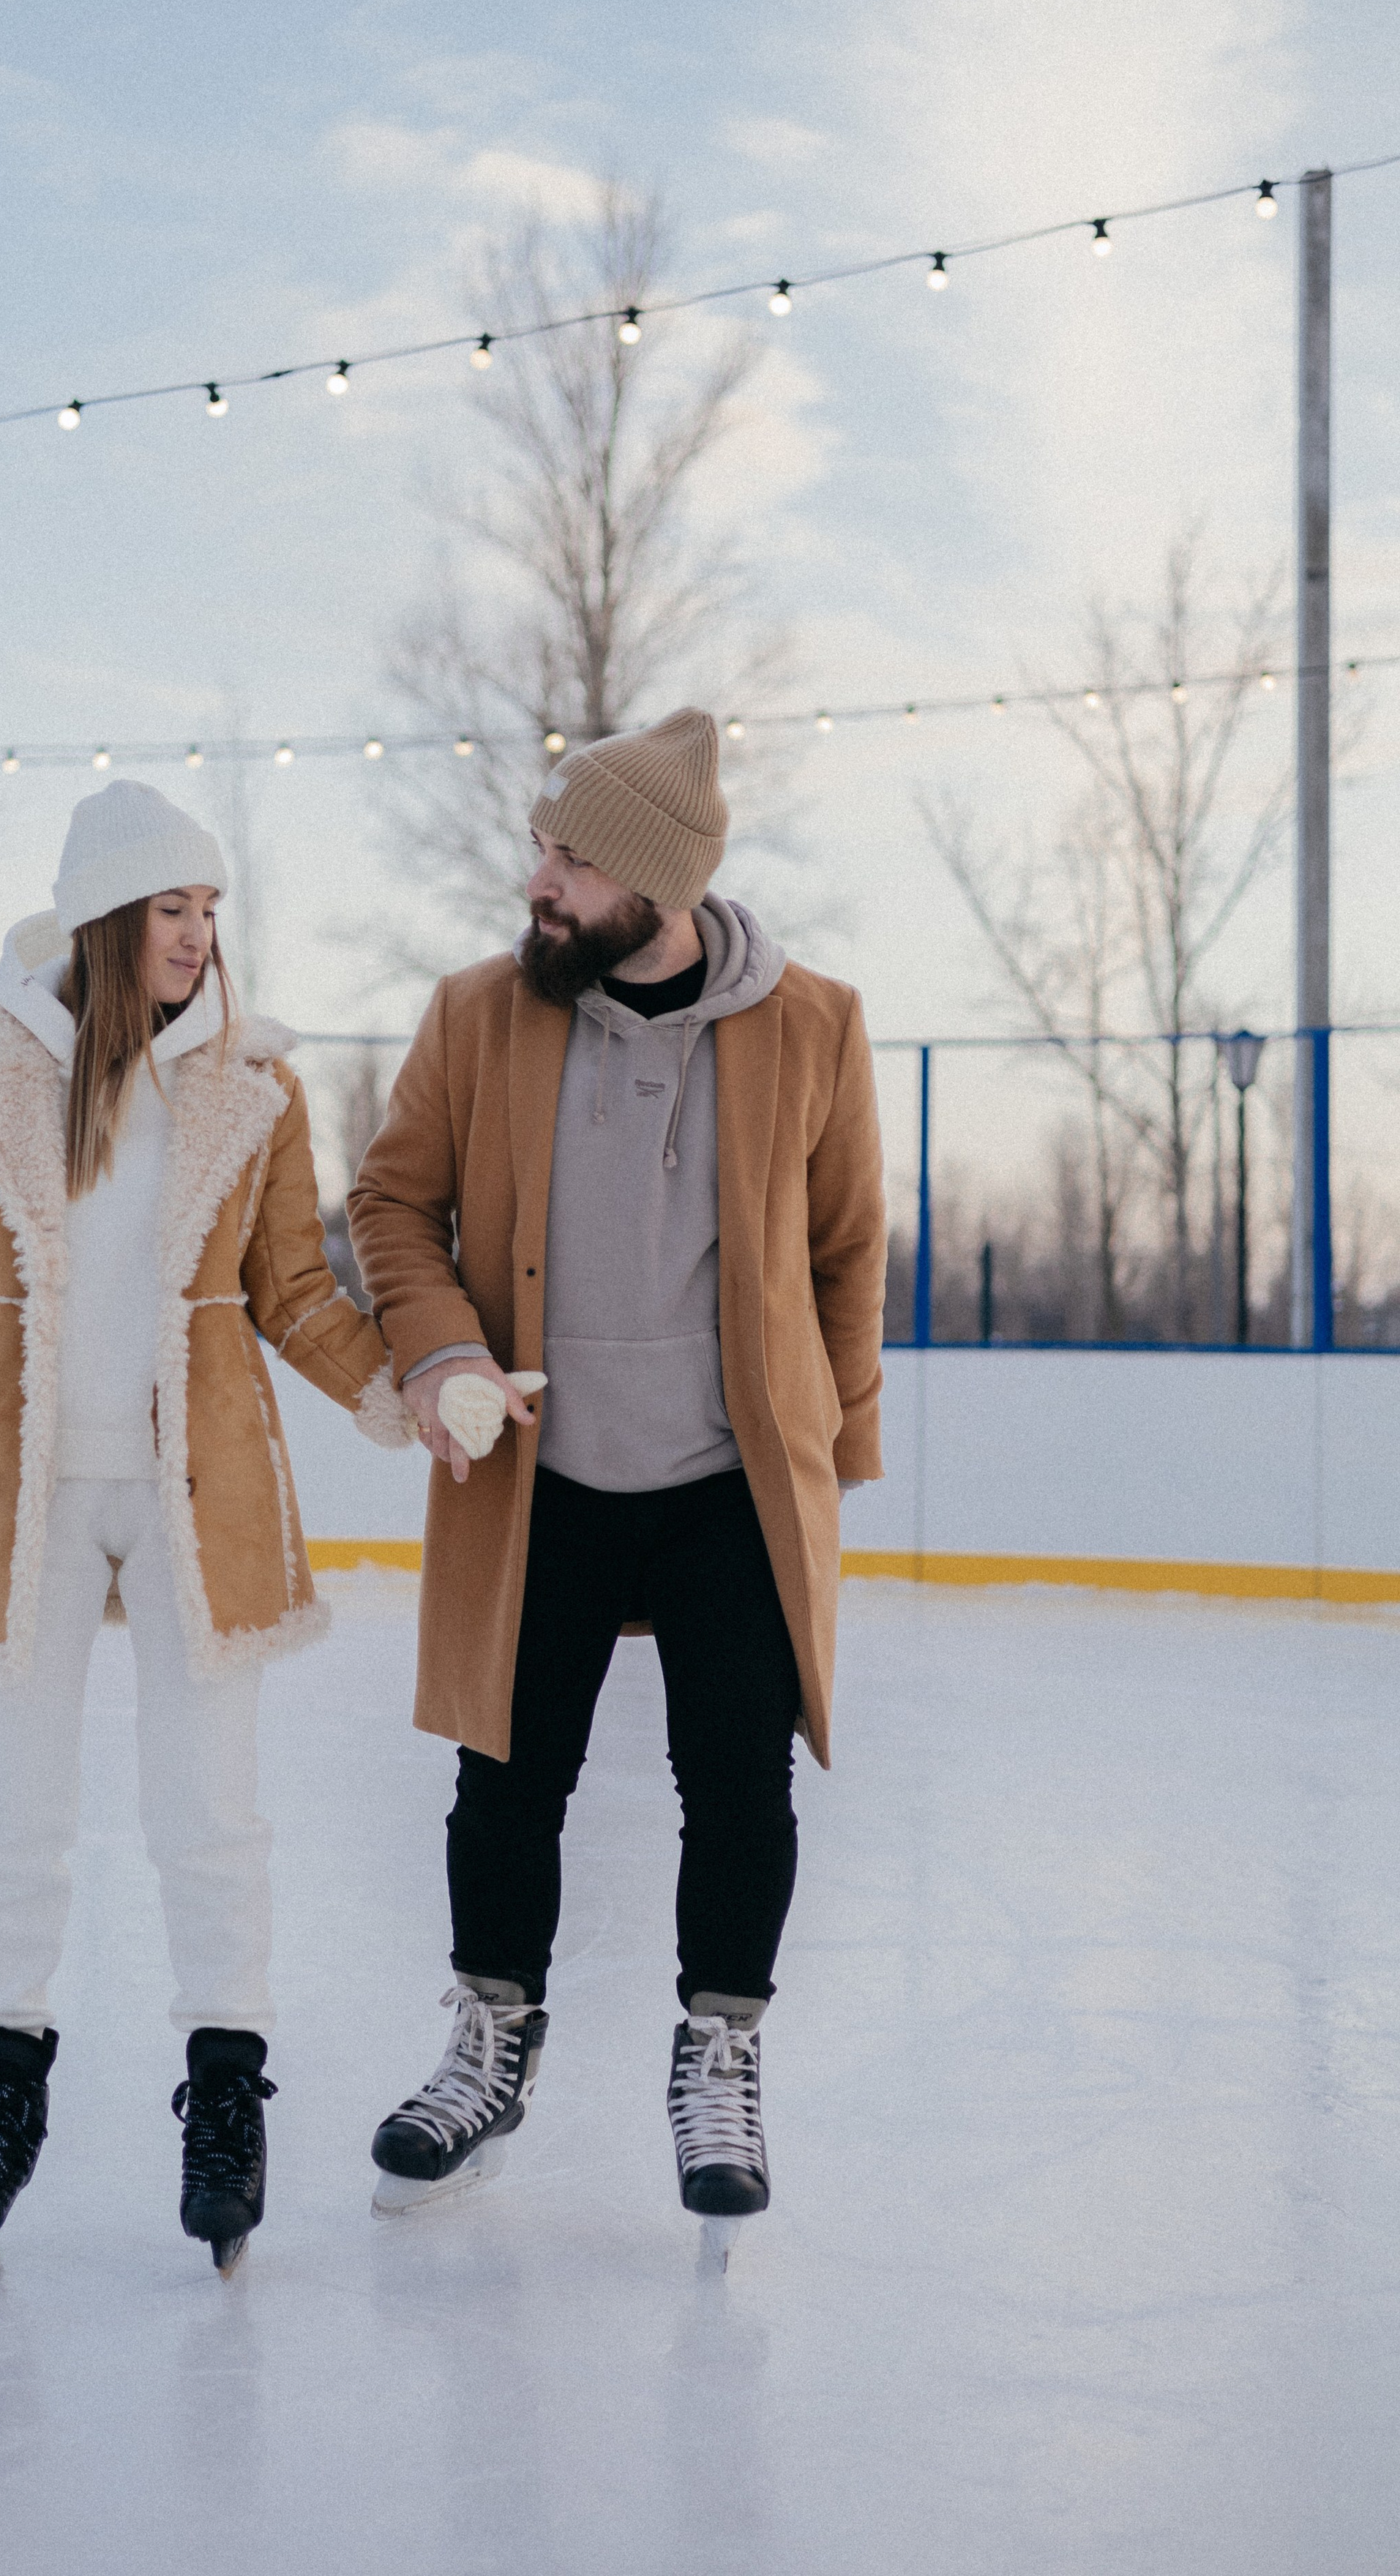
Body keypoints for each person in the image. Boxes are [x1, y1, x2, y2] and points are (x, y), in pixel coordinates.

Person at [0, 779, 411, 2275]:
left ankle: (224, 2096)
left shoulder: (252, 1087)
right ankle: (4, 2094)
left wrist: (397, 1396)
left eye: (210, 912)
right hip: (23, 1502)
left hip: (195, 1493)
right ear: (106, 919)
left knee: (208, 1815)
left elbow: (294, 1295)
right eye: (172, 910)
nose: (200, 937)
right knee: (14, 1817)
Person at [348, 708, 886, 2255]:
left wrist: (833, 1450)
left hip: (729, 1480)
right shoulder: (477, 1015)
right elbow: (392, 1208)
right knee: (504, 1778)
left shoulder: (815, 1026)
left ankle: (718, 2047)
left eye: (572, 859)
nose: (541, 881)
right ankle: (488, 2048)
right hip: (538, 1467)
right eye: (542, 849)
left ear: (655, 886)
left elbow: (844, 1248)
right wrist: (443, 1357)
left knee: (737, 1781)